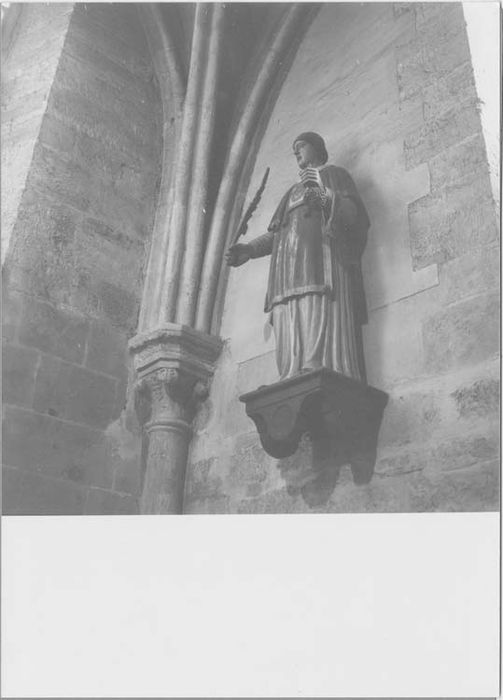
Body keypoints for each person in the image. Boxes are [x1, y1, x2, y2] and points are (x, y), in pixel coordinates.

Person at [226, 131, 369, 382]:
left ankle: (320, 364)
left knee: (314, 304)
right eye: (294, 149)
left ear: (317, 148)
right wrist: (250, 250)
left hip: (319, 263)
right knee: (288, 312)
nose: (296, 151)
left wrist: (323, 195)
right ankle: (291, 371)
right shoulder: (292, 192)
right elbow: (279, 233)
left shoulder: (335, 175)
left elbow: (351, 215)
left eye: (301, 146)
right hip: (287, 272)